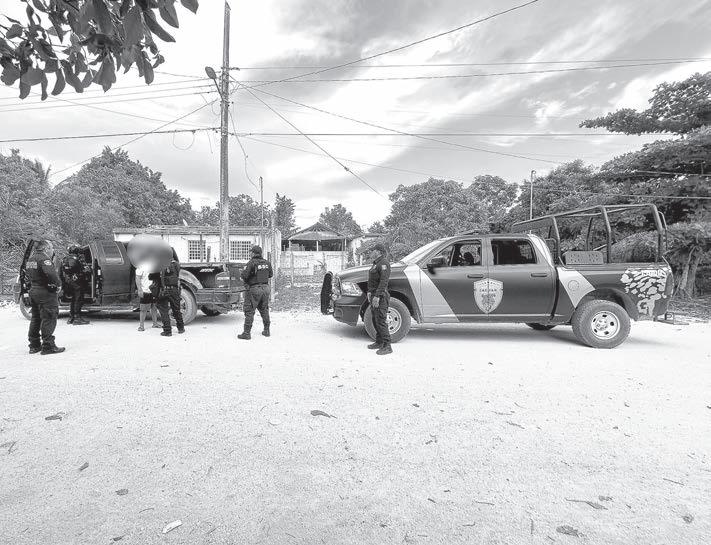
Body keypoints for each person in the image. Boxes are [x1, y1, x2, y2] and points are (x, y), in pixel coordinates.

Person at [25, 240, 65, 355]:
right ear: (46, 248)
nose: (53, 250)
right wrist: (58, 284)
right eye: (51, 247)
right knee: (49, 317)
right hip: (45, 292)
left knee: (36, 318)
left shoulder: (31, 259)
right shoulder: (44, 259)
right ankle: (48, 346)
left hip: (34, 290)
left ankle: (34, 345)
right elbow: (51, 274)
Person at [238, 245, 273, 340]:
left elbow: (244, 276)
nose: (250, 253)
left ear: (253, 253)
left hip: (254, 289)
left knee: (249, 311)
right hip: (266, 289)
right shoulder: (267, 263)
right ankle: (267, 331)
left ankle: (246, 333)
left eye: (251, 252)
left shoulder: (251, 263)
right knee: (264, 309)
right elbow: (270, 275)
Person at [367, 243, 392, 355]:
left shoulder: (384, 263)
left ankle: (387, 346)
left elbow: (383, 281)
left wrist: (377, 296)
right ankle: (379, 341)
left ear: (378, 251)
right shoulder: (376, 263)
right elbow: (372, 280)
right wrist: (369, 292)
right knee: (375, 319)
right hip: (373, 294)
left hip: (380, 296)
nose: (371, 252)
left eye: (373, 250)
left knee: (381, 320)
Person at [60, 244, 90, 325]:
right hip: (77, 282)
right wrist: (87, 270)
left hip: (68, 282)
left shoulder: (64, 259)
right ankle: (77, 318)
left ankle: (71, 318)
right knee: (78, 299)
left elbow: (61, 272)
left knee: (73, 300)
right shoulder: (77, 259)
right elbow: (84, 270)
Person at [157, 250, 185, 337]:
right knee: (176, 309)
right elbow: (177, 274)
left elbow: (155, 277)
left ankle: (167, 331)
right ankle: (181, 328)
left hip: (164, 290)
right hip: (174, 289)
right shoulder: (176, 264)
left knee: (164, 311)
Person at [135, 262, 160, 331]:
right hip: (145, 291)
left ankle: (155, 324)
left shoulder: (155, 265)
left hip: (154, 290)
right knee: (143, 309)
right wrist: (140, 290)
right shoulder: (141, 266)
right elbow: (137, 278)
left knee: (154, 307)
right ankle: (141, 326)